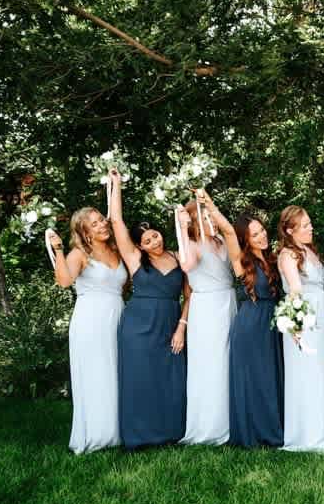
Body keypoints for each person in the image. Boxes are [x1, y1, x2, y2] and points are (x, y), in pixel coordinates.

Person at [109, 170, 188, 450]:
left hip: (170, 325)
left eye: (155, 235)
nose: (155, 242)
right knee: (140, 380)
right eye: (147, 241)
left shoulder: (179, 256)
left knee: (171, 378)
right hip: (138, 327)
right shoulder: (134, 260)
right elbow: (116, 221)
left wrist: (182, 327)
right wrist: (116, 184)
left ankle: (171, 433)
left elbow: (190, 295)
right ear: (139, 246)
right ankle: (139, 437)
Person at [202, 193, 284, 448]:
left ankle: (276, 428)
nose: (261, 236)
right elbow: (227, 230)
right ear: (245, 239)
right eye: (254, 234)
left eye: (262, 230)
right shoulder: (241, 261)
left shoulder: (273, 258)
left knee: (271, 377)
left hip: (274, 322)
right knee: (257, 378)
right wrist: (208, 202)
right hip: (251, 323)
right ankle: (257, 432)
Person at [50, 208, 125, 454]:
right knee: (96, 375)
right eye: (95, 224)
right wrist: (58, 250)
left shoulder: (116, 250)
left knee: (117, 373)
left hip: (117, 316)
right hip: (91, 321)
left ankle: (118, 431)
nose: (102, 224)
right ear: (84, 232)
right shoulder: (79, 254)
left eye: (102, 220)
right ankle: (95, 434)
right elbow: (64, 281)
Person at [177, 198, 237, 446]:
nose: (210, 220)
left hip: (228, 302)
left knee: (229, 361)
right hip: (207, 308)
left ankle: (232, 421)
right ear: (194, 221)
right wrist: (182, 227)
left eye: (211, 215)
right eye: (205, 217)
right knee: (211, 364)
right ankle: (210, 426)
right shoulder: (191, 244)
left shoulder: (221, 240)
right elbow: (186, 264)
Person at [276, 205, 324, 454]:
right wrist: (295, 324)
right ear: (290, 230)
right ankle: (306, 434)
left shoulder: (308, 250)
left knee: (319, 372)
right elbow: (294, 288)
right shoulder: (287, 255)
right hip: (302, 317)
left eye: (310, 223)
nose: (311, 228)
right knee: (306, 373)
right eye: (305, 225)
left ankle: (322, 431)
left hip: (318, 314)